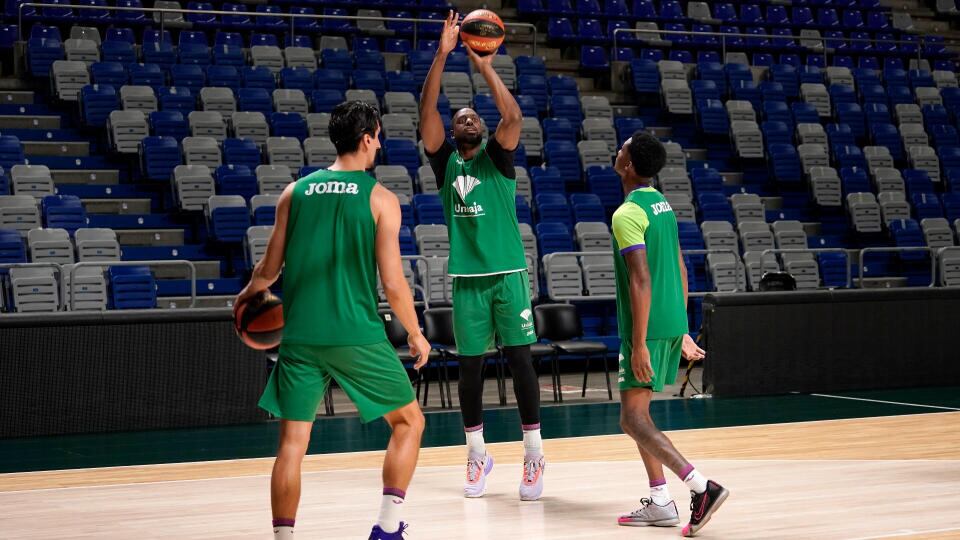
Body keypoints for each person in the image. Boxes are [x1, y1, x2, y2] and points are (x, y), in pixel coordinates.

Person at [234, 101, 431, 540]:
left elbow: (268, 271)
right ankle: (386, 526)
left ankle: (284, 537)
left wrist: (246, 297)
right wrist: (416, 333)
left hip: (300, 335)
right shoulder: (379, 198)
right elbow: (395, 284)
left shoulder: (295, 192)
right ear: (366, 139)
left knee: (291, 446)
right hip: (355, 333)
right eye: (377, 136)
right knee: (409, 422)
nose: (379, 144)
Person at [420, 11, 545, 501]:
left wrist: (484, 64)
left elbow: (512, 117)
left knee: (520, 362)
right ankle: (477, 456)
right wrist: (442, 54)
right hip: (468, 280)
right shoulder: (444, 162)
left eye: (474, 115)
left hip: (509, 275)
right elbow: (426, 114)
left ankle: (533, 456)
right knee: (468, 369)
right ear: (453, 133)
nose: (467, 117)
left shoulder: (499, 157)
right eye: (460, 118)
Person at [610, 132, 729, 536]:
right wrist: (680, 329)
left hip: (644, 327)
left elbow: (641, 281)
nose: (618, 149)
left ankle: (700, 487)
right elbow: (679, 268)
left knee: (631, 418)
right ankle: (660, 500)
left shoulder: (627, 214)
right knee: (640, 414)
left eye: (622, 147)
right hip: (667, 322)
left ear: (627, 165)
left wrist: (640, 341)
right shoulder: (662, 205)